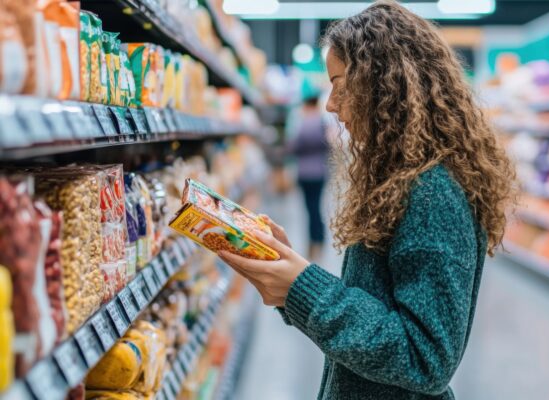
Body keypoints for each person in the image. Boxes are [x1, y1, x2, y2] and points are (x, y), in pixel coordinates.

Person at [218, 2, 516, 399]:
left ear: (382, 83)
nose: (331, 103)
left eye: (340, 83)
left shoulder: (433, 191)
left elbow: (425, 358)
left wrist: (304, 287)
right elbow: (373, 312)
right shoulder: (402, 177)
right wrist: (289, 279)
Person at [287, 94, 330, 260]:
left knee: (309, 209)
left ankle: (313, 241)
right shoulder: (322, 122)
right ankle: (319, 239)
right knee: (316, 207)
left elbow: (294, 146)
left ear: (306, 105)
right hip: (320, 172)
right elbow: (329, 147)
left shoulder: (302, 123)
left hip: (304, 174)